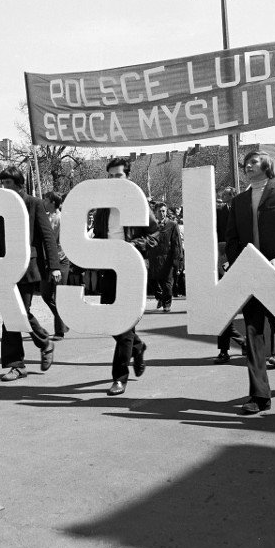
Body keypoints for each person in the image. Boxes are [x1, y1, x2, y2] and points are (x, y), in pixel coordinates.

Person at [226, 150, 275, 415]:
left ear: (267, 165)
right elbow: (233, 239)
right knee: (253, 333)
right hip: (251, 274)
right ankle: (259, 396)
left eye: (253, 161)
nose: (248, 165)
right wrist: (242, 265)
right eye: (245, 163)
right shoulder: (238, 201)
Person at [92, 157, 157, 396]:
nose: (113, 180)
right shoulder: (102, 206)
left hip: (131, 267)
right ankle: (138, 347)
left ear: (127, 177)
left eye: (118, 176)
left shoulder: (137, 202)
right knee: (110, 320)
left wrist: (134, 246)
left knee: (125, 323)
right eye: (110, 176)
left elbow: (155, 233)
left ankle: (119, 377)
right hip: (108, 268)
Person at [0, 166, 60, 382]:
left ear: (19, 184)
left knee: (20, 313)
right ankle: (19, 363)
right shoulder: (2, 206)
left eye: (8, 183)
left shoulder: (33, 203)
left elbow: (47, 236)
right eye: (2, 183)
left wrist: (54, 266)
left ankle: (42, 344)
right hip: (5, 266)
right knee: (10, 315)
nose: (4, 187)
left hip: (27, 267)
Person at [214, 186, 247, 362]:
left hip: (241, 261)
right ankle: (224, 350)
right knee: (222, 309)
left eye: (226, 195)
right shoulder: (220, 212)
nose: (223, 198)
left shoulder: (245, 211)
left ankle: (247, 343)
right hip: (222, 261)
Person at [39, 191, 70, 341]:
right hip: (46, 260)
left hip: (60, 260)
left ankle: (59, 331)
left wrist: (55, 262)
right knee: (45, 294)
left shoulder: (61, 219)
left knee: (59, 296)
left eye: (46, 199)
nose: (43, 201)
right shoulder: (45, 217)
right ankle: (64, 319)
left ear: (53, 202)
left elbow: (61, 242)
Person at [147, 202, 182, 312]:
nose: (162, 213)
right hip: (154, 257)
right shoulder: (151, 225)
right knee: (152, 280)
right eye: (160, 211)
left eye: (164, 211)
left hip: (167, 257)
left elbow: (177, 243)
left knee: (167, 283)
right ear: (155, 212)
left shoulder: (172, 224)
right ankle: (160, 297)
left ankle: (167, 303)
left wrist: (177, 259)